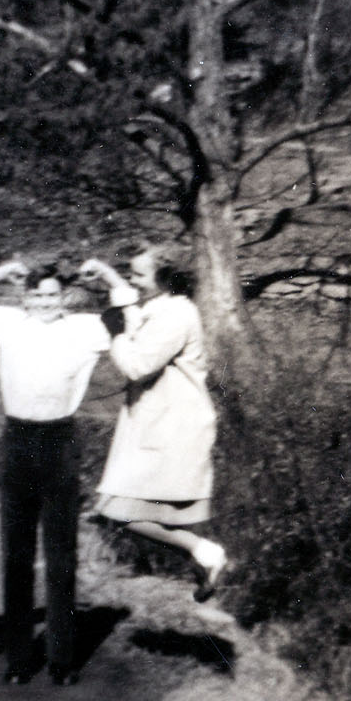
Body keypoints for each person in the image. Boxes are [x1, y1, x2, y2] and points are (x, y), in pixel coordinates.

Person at [0, 258, 137, 683]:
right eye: (37, 295)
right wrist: (2, 271)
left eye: (52, 295)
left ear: (62, 296)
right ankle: (18, 660)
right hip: (17, 441)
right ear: (25, 297)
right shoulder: (6, 321)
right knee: (17, 553)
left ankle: (62, 660)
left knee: (61, 552)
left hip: (60, 441)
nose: (45, 302)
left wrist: (106, 272)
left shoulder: (85, 328)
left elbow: (130, 313)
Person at [82, 248, 228, 600]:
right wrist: (106, 273)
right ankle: (204, 555)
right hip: (159, 425)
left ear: (165, 279)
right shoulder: (161, 307)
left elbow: (138, 365)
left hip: (173, 428)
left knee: (119, 510)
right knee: (121, 511)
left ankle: (205, 553)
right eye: (130, 274)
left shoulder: (176, 315)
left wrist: (116, 334)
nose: (133, 281)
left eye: (139, 275)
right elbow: (133, 314)